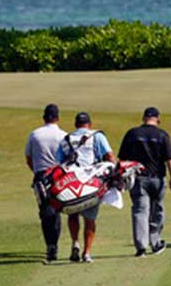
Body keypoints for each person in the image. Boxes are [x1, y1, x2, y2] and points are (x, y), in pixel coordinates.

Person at [118, 107, 171, 257]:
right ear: (157, 119)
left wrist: (121, 179)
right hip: (157, 179)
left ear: (143, 118)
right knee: (157, 210)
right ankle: (155, 242)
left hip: (138, 179)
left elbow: (122, 160)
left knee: (140, 211)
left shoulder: (132, 134)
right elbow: (170, 158)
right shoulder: (162, 135)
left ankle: (141, 247)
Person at [55, 111, 114, 263]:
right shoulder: (97, 136)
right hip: (91, 183)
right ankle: (86, 252)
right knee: (90, 219)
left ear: (75, 125)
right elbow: (110, 157)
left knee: (73, 214)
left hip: (71, 183)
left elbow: (59, 163)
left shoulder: (66, 139)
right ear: (90, 124)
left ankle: (75, 243)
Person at [25, 104, 67, 262]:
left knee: (45, 212)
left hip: (41, 176)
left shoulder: (35, 134)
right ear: (57, 118)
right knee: (57, 210)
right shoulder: (63, 135)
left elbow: (29, 159)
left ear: (44, 117)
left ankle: (51, 245)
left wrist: (36, 172)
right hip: (59, 176)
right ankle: (54, 244)